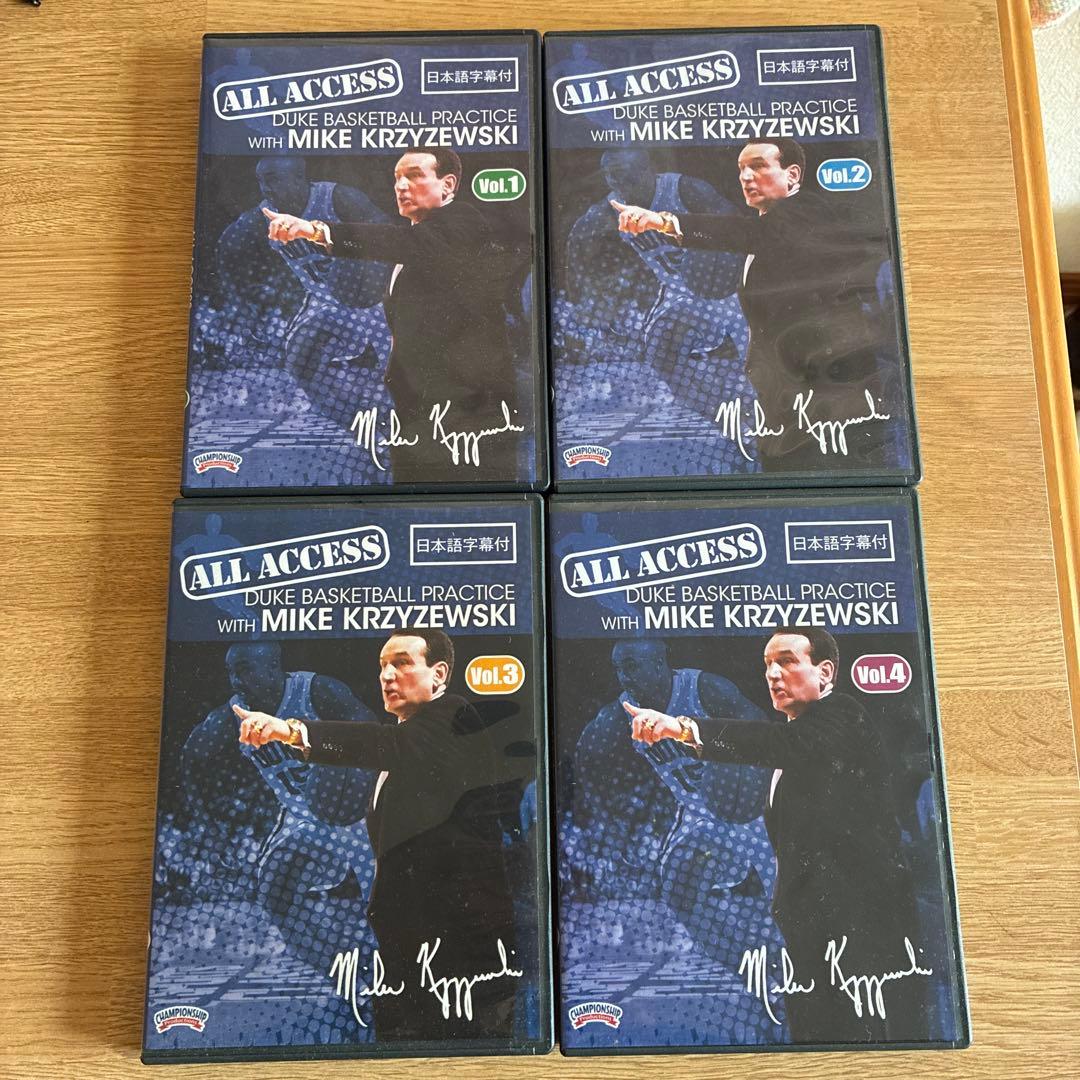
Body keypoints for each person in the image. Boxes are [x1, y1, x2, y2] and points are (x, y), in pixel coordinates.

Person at [625, 628, 922, 1043]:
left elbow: (772, 742)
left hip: (858, 920)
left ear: (825, 672)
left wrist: (682, 728)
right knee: (814, 1038)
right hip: (811, 921)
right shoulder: (796, 741)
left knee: (870, 1041)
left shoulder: (842, 715)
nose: (772, 674)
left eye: (786, 661)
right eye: (767, 664)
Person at [232, 629, 522, 1041]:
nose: (387, 675)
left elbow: (383, 743)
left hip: (456, 940)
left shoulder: (454, 716)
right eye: (383, 666)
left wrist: (292, 732)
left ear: (439, 674)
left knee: (460, 1048)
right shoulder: (408, 741)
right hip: (415, 938)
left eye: (402, 663)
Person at [612, 139, 899, 472]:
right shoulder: (769, 231)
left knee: (831, 483)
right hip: (793, 397)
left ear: (792, 175)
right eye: (741, 169)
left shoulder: (805, 212)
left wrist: (664, 222)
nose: (746, 177)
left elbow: (744, 232)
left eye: (759, 166)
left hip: (828, 396)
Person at [260, 150, 525, 483]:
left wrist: (316, 231)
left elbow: (399, 242)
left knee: (474, 496)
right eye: (397, 178)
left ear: (447, 185)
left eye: (414, 175)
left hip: (464, 406)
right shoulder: (416, 242)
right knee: (412, 497)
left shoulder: (462, 220)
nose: (401, 186)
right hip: (420, 404)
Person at [178, 642, 380, 972]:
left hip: (360, 813)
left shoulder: (317, 691)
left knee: (387, 904)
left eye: (244, 670)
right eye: (231, 672)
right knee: (277, 893)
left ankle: (400, 974)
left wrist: (340, 765)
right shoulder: (232, 716)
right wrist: (208, 829)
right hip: (305, 822)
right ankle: (345, 972)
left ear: (273, 668)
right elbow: (191, 757)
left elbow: (373, 733)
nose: (236, 681)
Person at [211, 157, 392, 430]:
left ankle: (407, 426)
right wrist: (239, 303)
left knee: (402, 373)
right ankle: (356, 424)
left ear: (298, 178)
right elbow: (227, 246)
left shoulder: (338, 198)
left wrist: (357, 259)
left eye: (273, 179)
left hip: (377, 298)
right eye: (261, 181)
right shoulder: (264, 216)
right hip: (325, 302)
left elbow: (387, 233)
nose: (266, 189)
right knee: (301, 362)